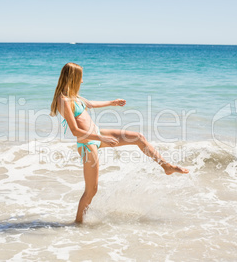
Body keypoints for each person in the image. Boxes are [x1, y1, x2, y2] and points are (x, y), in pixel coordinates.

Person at [50, 62, 189, 224]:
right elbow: (74, 131)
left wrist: (112, 102)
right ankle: (78, 224)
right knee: (91, 191)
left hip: (96, 135)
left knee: (138, 137)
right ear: (73, 78)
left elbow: (91, 104)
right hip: (88, 144)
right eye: (80, 78)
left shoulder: (75, 97)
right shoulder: (64, 100)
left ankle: (166, 166)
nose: (82, 81)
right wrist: (101, 138)